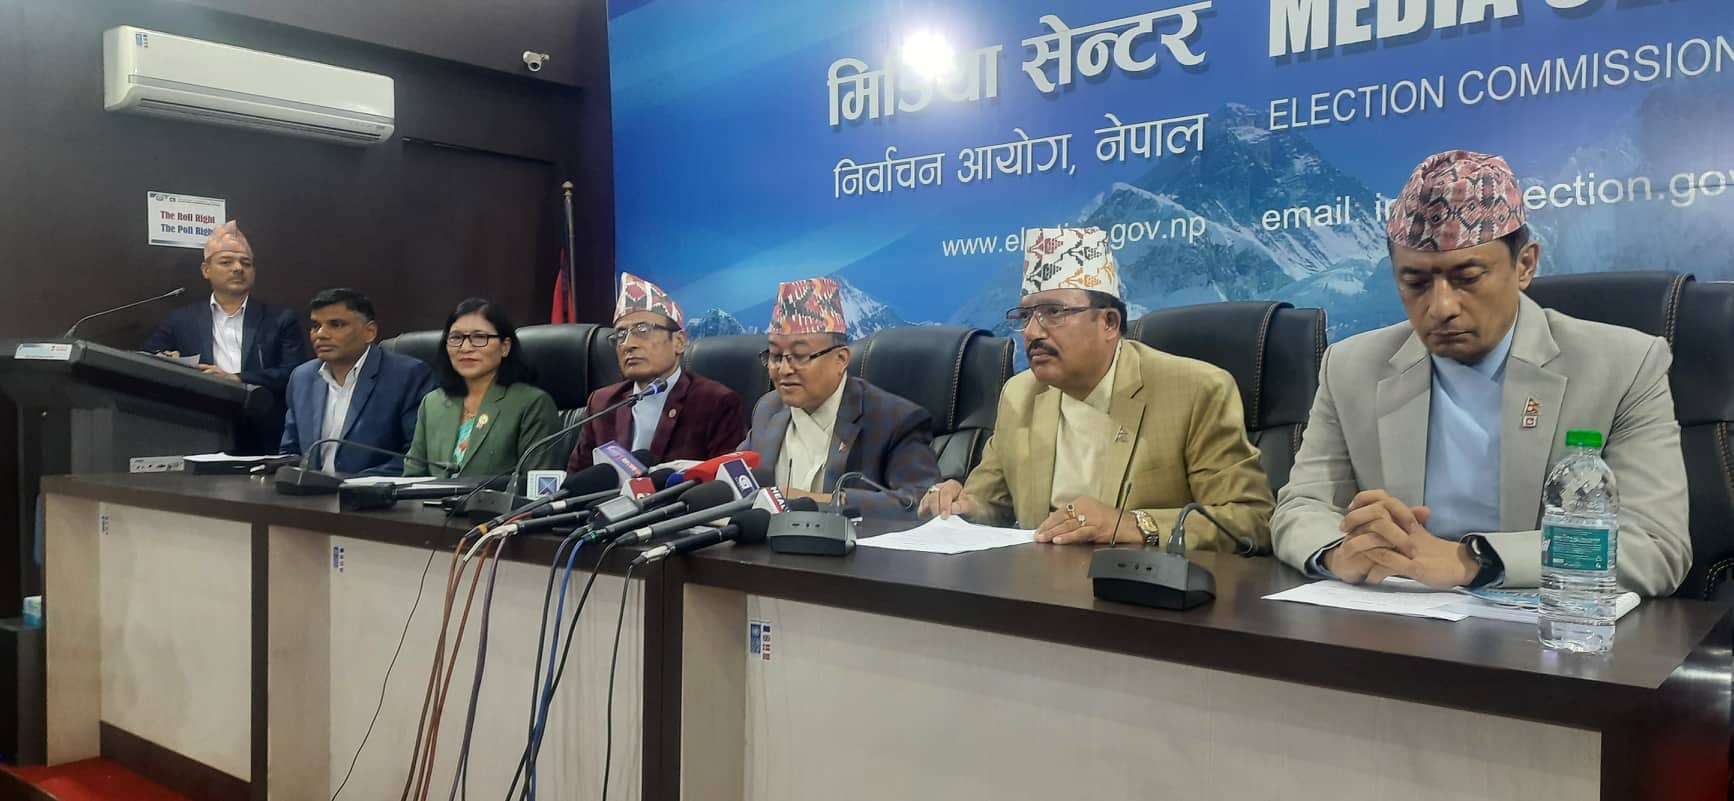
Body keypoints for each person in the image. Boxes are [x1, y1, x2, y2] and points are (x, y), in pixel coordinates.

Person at [1270, 150, 1691, 596]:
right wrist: (1340, 551)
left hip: (1548, 622)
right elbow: (1301, 506)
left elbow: (1653, 546)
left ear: (1525, 265)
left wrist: (1471, 561)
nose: (1441, 307)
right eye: (1415, 283)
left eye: (1467, 278)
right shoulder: (1351, 366)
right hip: (1398, 615)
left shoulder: (1623, 365)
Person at [919, 227, 1274, 549]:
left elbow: (1249, 520)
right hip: (1038, 584)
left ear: (1109, 323)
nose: (1032, 332)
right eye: (1025, 316)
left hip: (1140, 587)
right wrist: (960, 505)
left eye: (1053, 312)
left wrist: (1133, 525)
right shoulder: (1020, 394)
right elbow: (990, 501)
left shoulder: (1196, 391)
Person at [741, 277, 939, 518]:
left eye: (800, 355)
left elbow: (921, 503)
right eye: (775, 355)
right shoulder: (768, 408)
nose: (783, 369)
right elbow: (737, 477)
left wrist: (818, 502)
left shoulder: (894, 419)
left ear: (841, 359)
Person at [142, 220, 309, 453]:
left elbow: (294, 373)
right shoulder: (181, 320)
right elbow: (148, 357)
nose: (238, 268)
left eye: (246, 263)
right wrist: (167, 360)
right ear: (206, 270)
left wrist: (237, 379)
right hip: (200, 424)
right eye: (226, 262)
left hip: (263, 425)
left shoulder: (279, 319)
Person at [567, 273, 745, 470]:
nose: (628, 344)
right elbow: (576, 479)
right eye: (620, 334)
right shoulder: (602, 404)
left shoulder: (715, 402)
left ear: (679, 342)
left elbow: (727, 481)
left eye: (642, 330)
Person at [280, 289, 435, 475]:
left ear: (369, 332)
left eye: (336, 324)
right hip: (309, 489)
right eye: (315, 326)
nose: (321, 334)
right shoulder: (302, 377)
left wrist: (354, 483)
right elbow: (290, 452)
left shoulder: (407, 375)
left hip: (371, 490)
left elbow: (416, 456)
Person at [405, 298, 561, 479]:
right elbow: (413, 477)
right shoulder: (433, 403)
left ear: (505, 347)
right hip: (429, 499)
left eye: (479, 337)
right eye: (456, 338)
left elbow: (538, 483)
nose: (465, 347)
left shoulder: (532, 404)